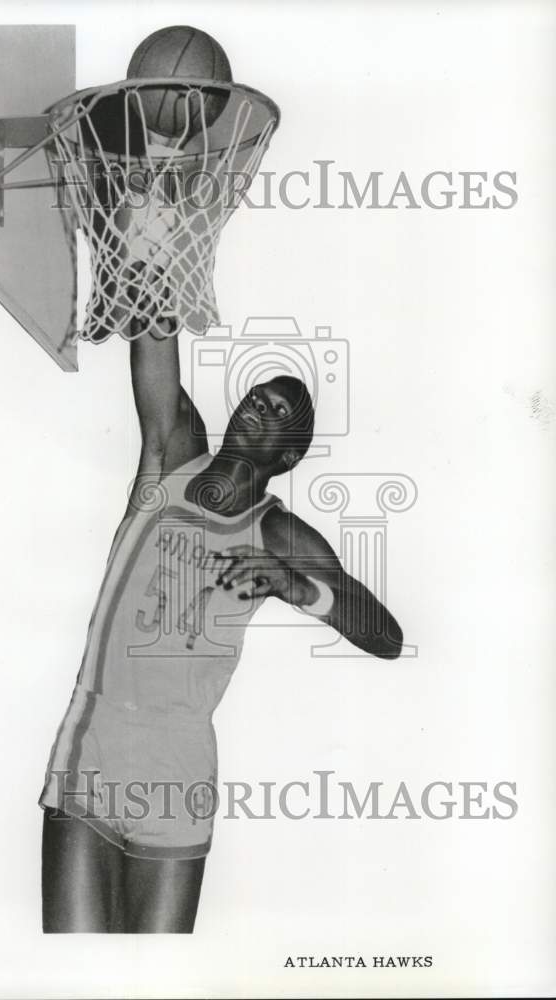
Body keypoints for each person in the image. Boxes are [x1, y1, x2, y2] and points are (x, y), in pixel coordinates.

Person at [39, 330, 403, 933]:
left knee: (158, 974)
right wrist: (149, 278)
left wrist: (296, 586)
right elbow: (154, 335)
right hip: (97, 735)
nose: (260, 404)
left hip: (181, 760)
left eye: (279, 410)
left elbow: (386, 638)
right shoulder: (173, 455)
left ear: (291, 455)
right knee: (75, 969)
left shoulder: (280, 534)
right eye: (258, 394)